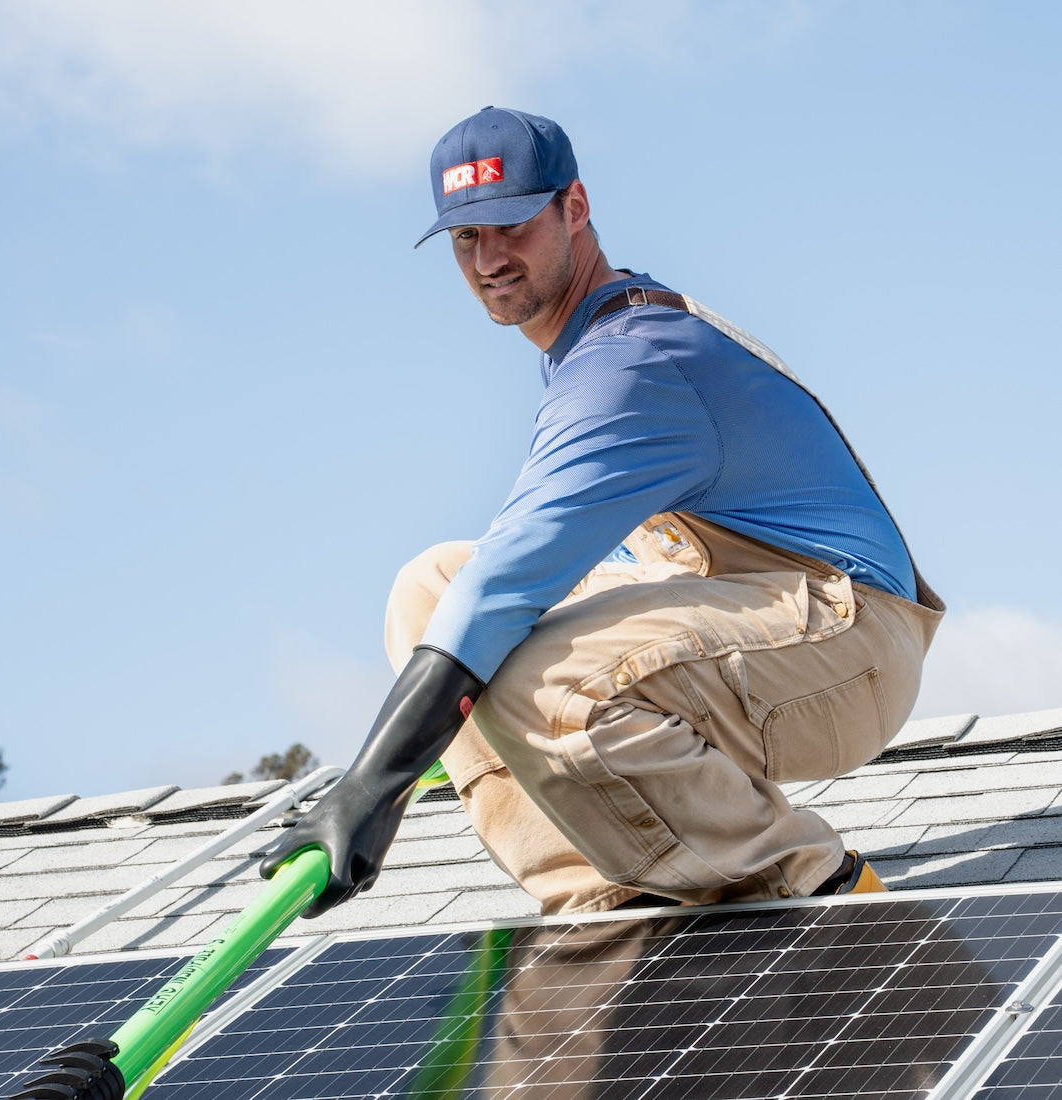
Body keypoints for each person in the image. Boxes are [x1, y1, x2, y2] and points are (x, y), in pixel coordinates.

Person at [260, 106, 944, 916]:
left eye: (509, 224)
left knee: (553, 680)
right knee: (429, 587)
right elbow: (479, 592)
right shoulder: (591, 347)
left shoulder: (630, 364)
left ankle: (806, 883)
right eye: (465, 240)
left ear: (573, 209)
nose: (490, 258)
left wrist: (370, 786)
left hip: (847, 641)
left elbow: (507, 589)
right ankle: (599, 893)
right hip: (745, 605)